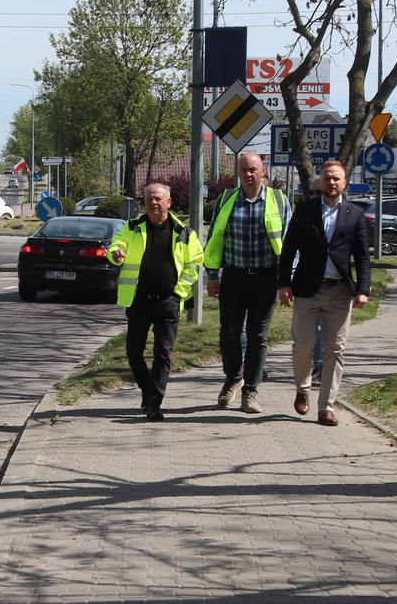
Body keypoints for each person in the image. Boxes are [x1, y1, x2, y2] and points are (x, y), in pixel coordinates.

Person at [278, 160, 372, 427]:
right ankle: (302, 389)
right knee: (303, 345)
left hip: (340, 291)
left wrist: (363, 288)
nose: (331, 182)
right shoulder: (306, 210)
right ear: (320, 182)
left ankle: (326, 407)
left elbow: (363, 256)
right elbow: (289, 249)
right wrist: (284, 283)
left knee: (335, 350)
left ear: (344, 183)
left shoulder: (355, 213)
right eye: (327, 178)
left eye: (336, 179)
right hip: (307, 289)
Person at [106, 183, 205, 421]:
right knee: (133, 352)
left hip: (168, 304)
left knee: (163, 354)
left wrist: (178, 295)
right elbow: (116, 244)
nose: (153, 202)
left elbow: (195, 263)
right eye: (149, 198)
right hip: (139, 301)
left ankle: (154, 405)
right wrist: (116, 252)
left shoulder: (183, 232)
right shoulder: (132, 227)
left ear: (169, 203)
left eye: (158, 199)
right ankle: (148, 390)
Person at [204, 152, 291, 414]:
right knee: (229, 333)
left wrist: (287, 281)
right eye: (243, 170)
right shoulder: (227, 199)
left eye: (253, 169)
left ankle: (251, 390)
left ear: (263, 171)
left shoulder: (278, 199)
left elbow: (289, 243)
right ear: (238, 173)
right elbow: (215, 239)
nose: (248, 174)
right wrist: (211, 276)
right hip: (234, 276)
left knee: (258, 336)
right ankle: (233, 377)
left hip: (267, 278)